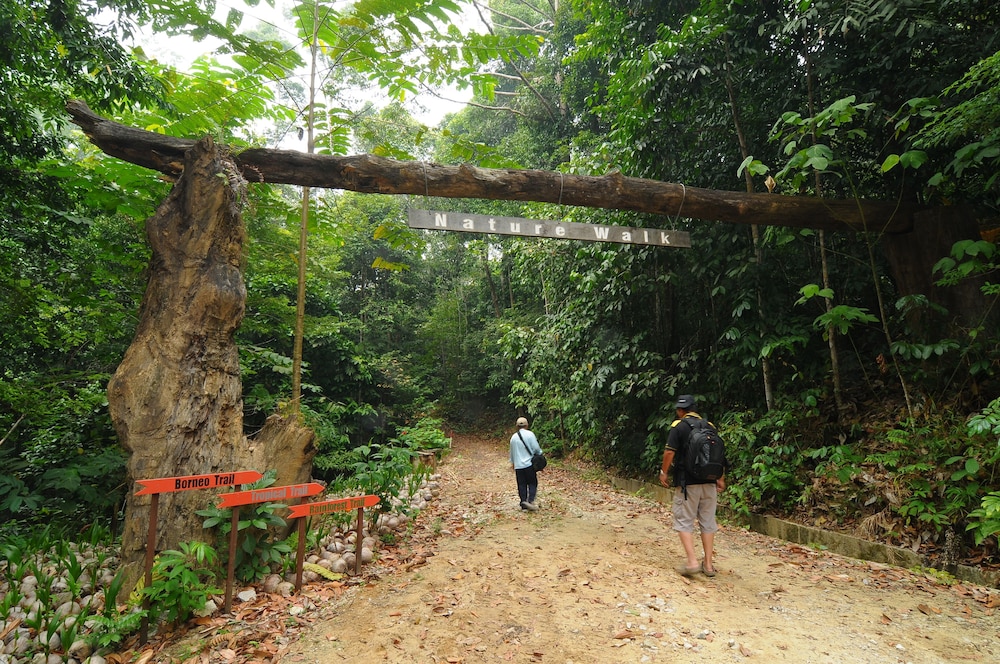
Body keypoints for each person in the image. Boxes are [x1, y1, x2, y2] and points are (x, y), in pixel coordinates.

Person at [658, 394, 726, 577]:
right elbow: (718, 455)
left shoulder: (678, 426)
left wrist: (664, 472)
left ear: (680, 411)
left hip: (688, 484)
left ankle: (692, 561)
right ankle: (709, 565)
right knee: (708, 522)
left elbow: (669, 452)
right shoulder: (710, 426)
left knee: (684, 521)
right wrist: (720, 478)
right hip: (709, 483)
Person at [510, 416, 542, 511]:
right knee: (532, 482)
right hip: (529, 464)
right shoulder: (530, 434)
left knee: (521, 484)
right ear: (527, 425)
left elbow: (512, 453)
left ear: (517, 426)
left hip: (518, 466)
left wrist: (513, 463)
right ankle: (531, 501)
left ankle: (523, 502)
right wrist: (540, 454)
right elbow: (536, 449)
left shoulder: (513, 438)